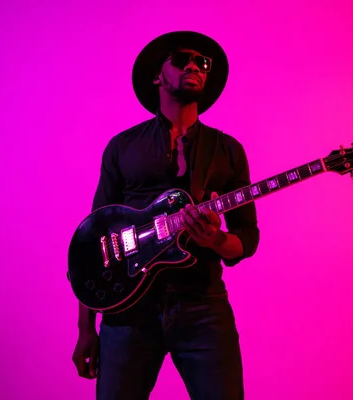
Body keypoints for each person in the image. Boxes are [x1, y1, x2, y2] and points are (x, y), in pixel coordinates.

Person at [71, 31, 260, 400]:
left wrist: (217, 240)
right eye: (181, 59)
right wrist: (85, 329)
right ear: (157, 76)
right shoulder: (123, 146)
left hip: (203, 307)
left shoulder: (227, 150)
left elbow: (246, 239)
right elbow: (92, 241)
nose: (194, 65)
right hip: (128, 314)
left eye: (202, 63)